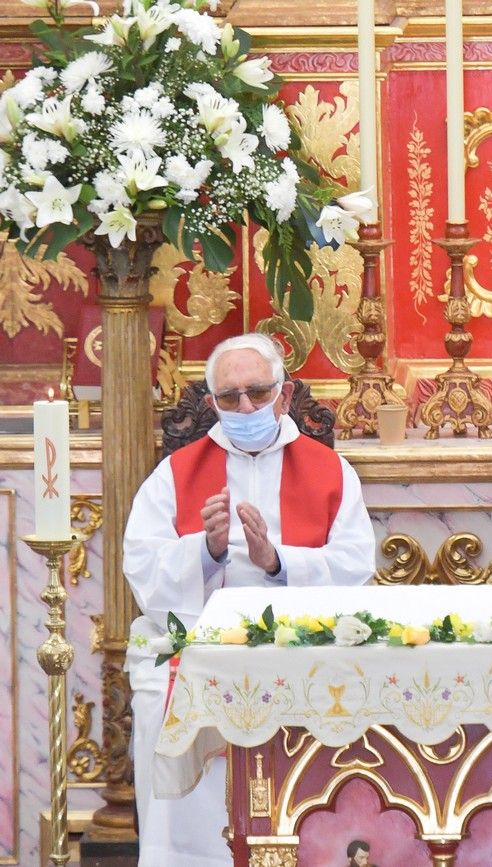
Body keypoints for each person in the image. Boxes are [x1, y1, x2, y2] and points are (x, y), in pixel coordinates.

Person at [123, 333, 377, 867]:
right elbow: (143, 566)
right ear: (211, 403)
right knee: (156, 696)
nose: (244, 407)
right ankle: (188, 857)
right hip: (201, 640)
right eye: (230, 396)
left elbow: (356, 566)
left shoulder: (331, 470)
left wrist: (278, 562)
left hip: (302, 643)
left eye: (258, 393)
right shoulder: (176, 473)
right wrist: (207, 551)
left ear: (284, 396)